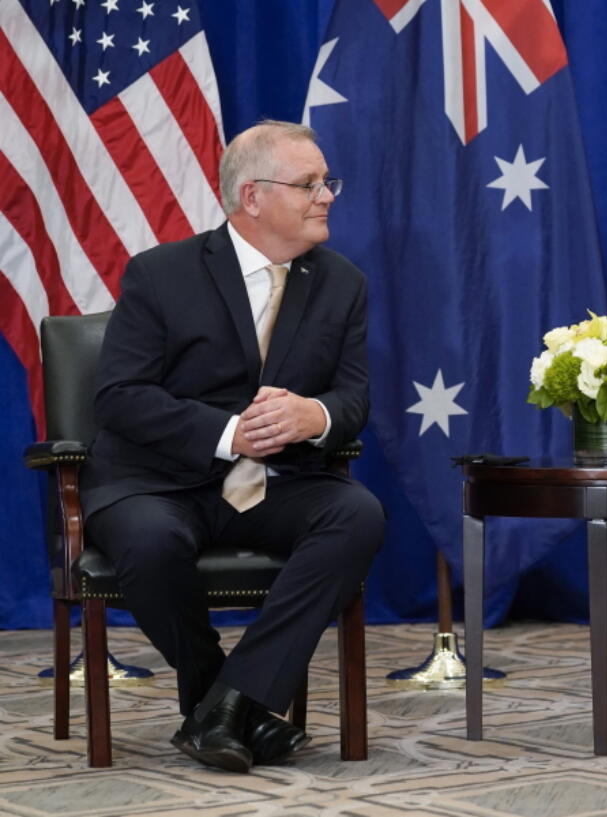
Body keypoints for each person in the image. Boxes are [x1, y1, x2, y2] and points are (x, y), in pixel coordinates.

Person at [80, 120, 385, 773]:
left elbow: (354, 400)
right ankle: (220, 702)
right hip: (157, 479)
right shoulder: (160, 274)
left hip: (277, 481)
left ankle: (228, 703)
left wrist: (316, 414)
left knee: (358, 513)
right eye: (309, 184)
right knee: (152, 541)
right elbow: (119, 397)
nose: (327, 195)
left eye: (328, 181)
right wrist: (227, 433)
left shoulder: (342, 282)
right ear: (252, 197)